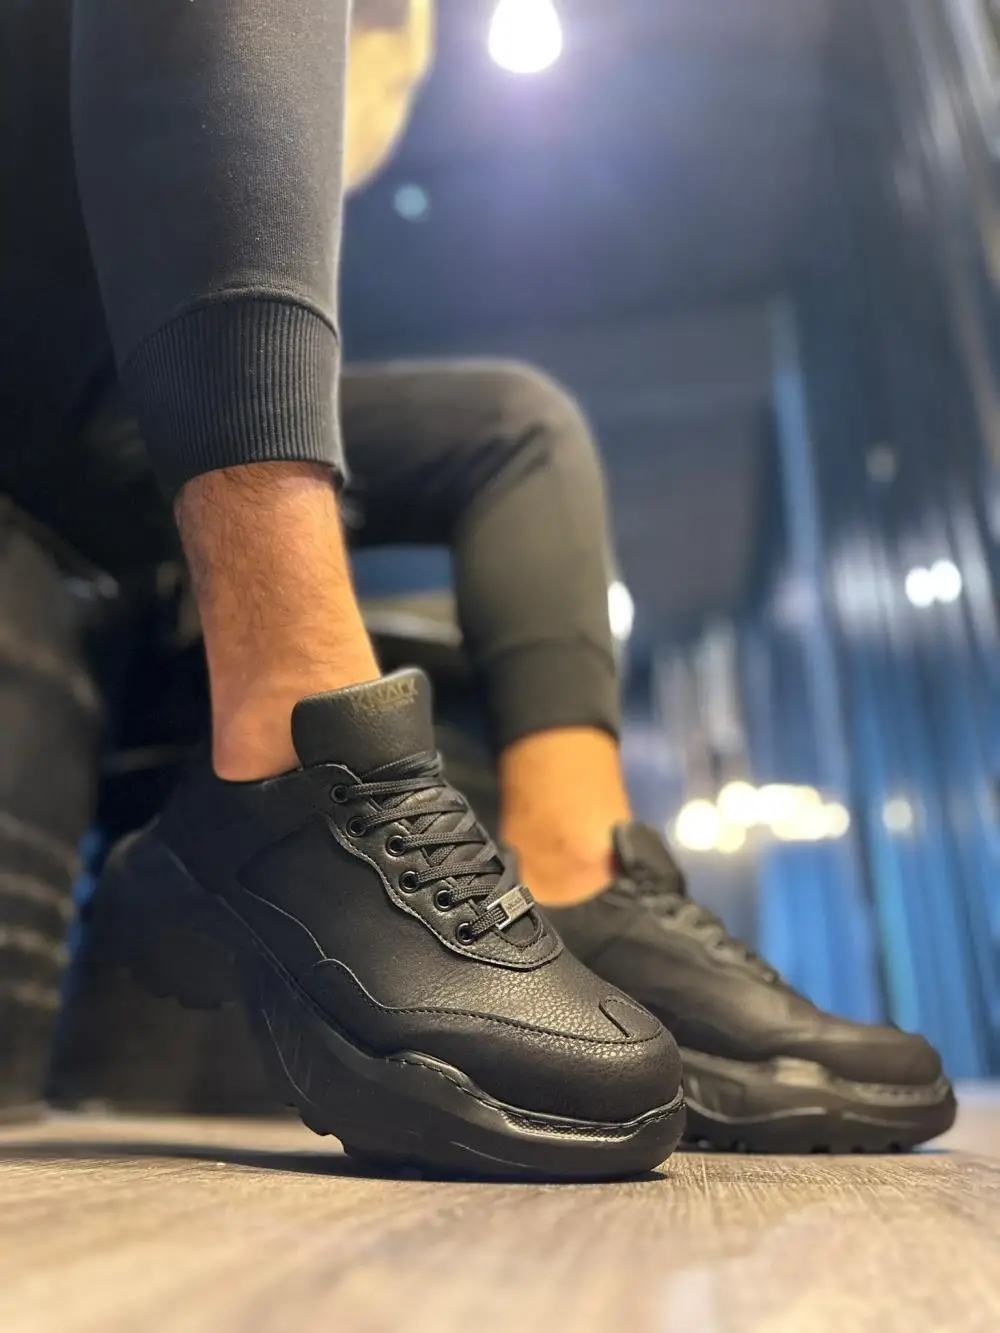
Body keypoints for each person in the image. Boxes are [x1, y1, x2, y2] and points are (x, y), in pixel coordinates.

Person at [2, 1, 951, 1172]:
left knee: (519, 428)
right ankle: (284, 755)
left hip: (115, 387)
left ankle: (576, 871)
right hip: (36, 367)